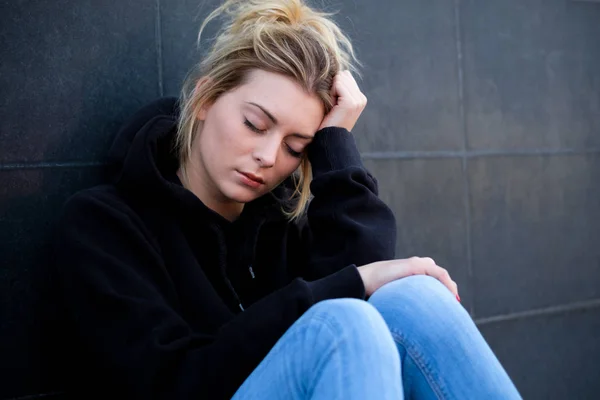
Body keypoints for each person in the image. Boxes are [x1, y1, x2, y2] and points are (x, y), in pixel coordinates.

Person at [53, 0, 521, 398]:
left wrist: (335, 139)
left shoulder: (273, 231)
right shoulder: (104, 224)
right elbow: (171, 382)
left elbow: (365, 278)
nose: (266, 156)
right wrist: (349, 286)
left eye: (296, 147)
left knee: (413, 296)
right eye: (255, 124)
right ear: (204, 99)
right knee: (342, 326)